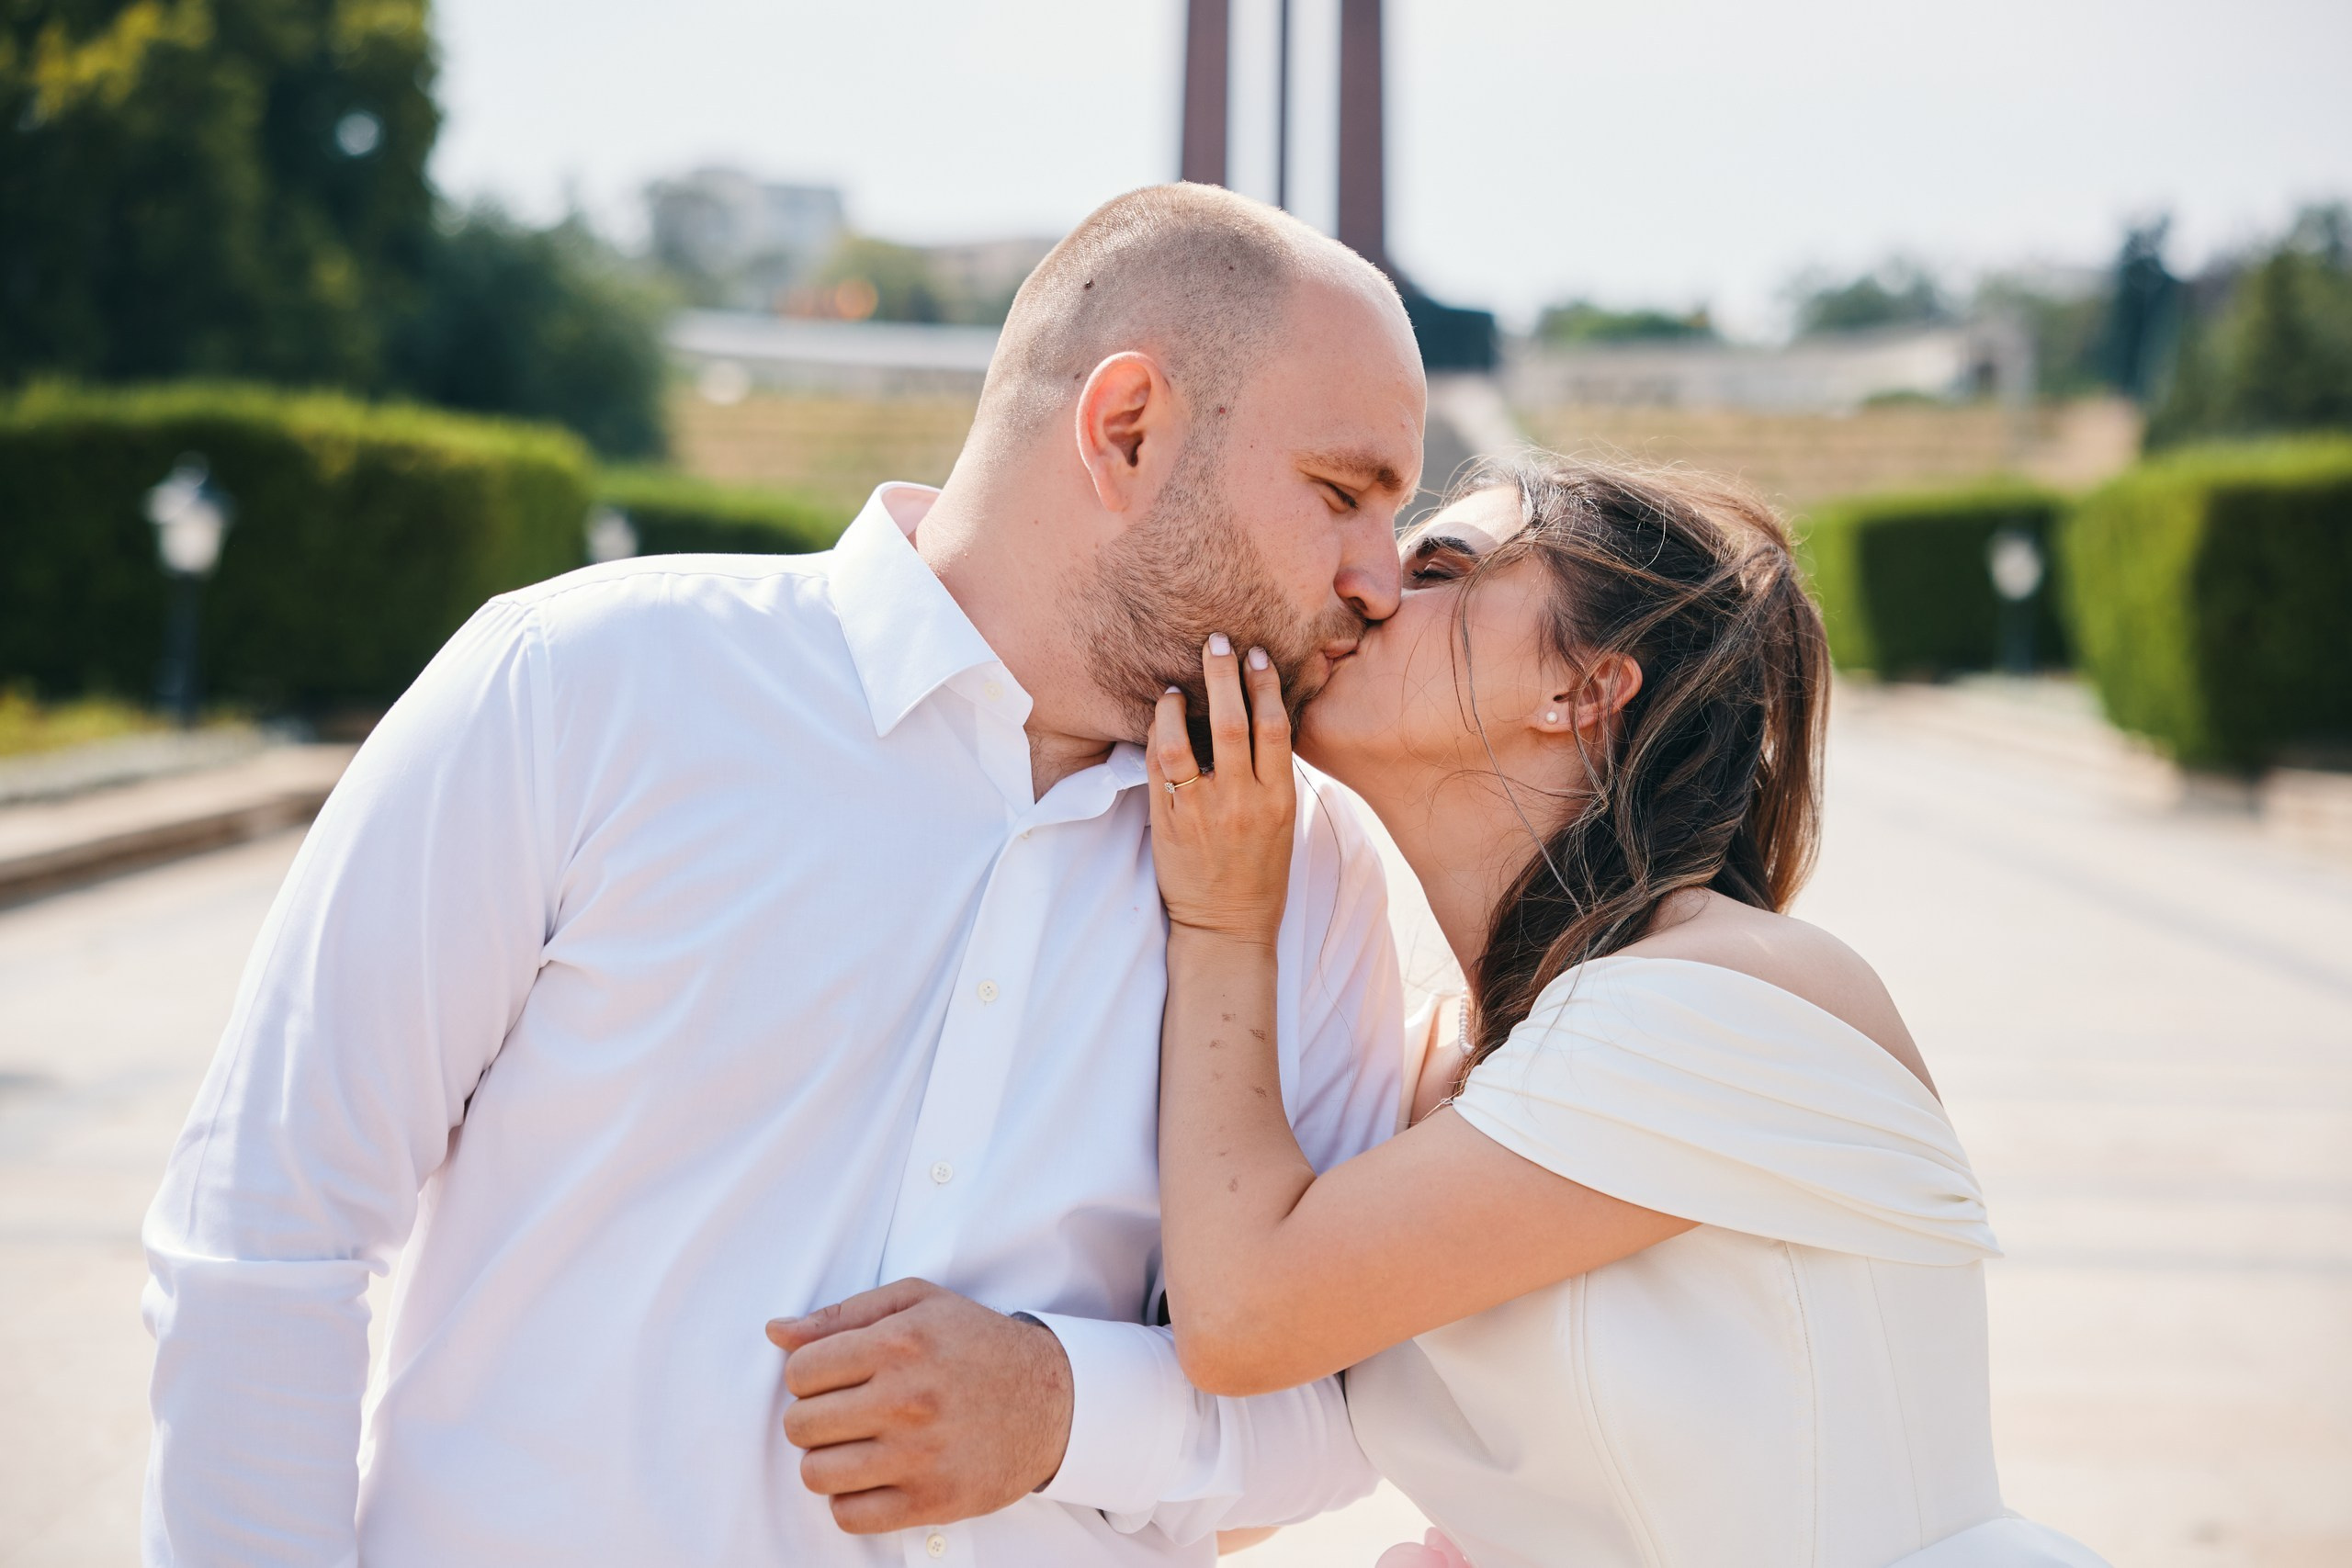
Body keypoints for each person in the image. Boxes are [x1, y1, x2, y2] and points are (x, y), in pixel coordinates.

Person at [139, 184, 1425, 1565]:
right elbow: (270, 1232)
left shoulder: (1317, 878)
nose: (1381, 580)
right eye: (1343, 495)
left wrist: (1064, 1406)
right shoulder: (581, 683)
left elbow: (1343, 1409)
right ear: (1125, 431)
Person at [1139, 459, 2114, 1567]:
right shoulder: (1443, 1066)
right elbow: (1235, 1484)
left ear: (1584, 690)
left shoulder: (1721, 999)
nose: (1366, 587)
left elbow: (1242, 1320)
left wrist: (1223, 920)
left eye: (1442, 567)